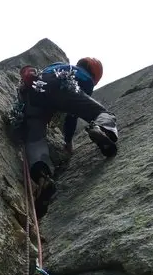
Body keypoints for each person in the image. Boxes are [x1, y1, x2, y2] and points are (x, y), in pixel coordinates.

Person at [17, 57, 118, 219]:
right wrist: (69, 141)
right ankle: (101, 129)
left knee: (35, 139)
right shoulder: (85, 77)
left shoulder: (56, 66)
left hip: (36, 93)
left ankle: (42, 176)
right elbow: (73, 114)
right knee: (102, 114)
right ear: (94, 74)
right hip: (64, 86)